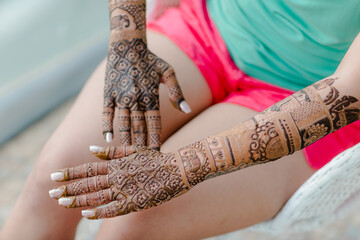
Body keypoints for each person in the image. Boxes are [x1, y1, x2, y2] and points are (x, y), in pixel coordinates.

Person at [2, 0, 360, 239]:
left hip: (316, 96)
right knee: (54, 177)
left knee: (129, 223)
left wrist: (184, 166)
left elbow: (347, 92)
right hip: (206, 27)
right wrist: (128, 41)